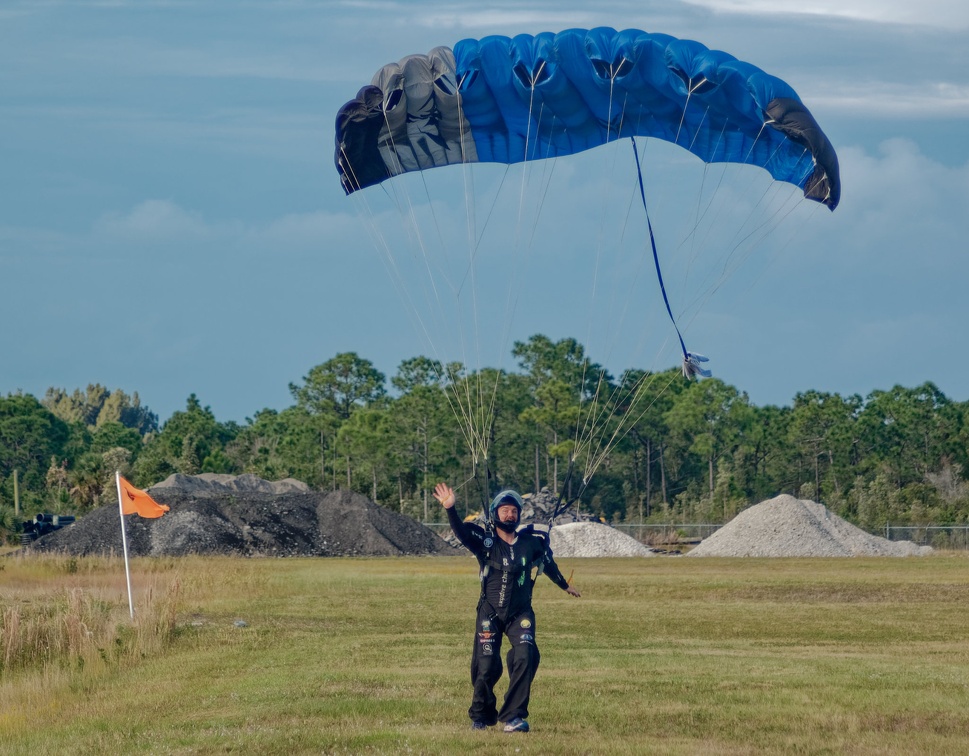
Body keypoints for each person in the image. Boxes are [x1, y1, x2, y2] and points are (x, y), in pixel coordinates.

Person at [433, 482, 581, 734]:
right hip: (489, 612)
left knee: (526, 656)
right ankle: (481, 715)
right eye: (504, 510)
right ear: (495, 514)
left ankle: (513, 716)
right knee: (486, 666)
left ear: (519, 515)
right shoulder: (485, 541)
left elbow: (548, 562)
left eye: (514, 510)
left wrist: (563, 584)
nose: (509, 514)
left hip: (520, 613)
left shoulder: (530, 542)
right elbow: (461, 533)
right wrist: (451, 508)